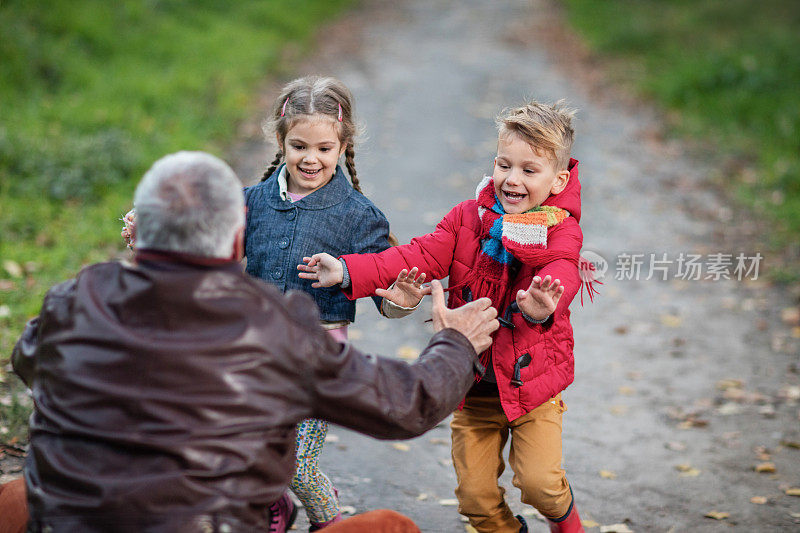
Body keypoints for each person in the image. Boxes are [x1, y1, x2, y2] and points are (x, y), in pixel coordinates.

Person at [10, 151, 499, 533]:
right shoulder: (274, 327)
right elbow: (408, 404)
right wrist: (456, 341)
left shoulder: (76, 298)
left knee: (16, 497)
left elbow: (27, 358)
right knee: (393, 527)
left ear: (144, 230)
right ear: (238, 239)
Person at [299, 101, 589, 533]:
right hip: (471, 387)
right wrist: (346, 268)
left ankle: (569, 526)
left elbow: (562, 268)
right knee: (475, 499)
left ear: (558, 180)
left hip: (531, 386)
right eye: (504, 165)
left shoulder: (560, 228)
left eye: (530, 171)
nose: (512, 179)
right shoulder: (467, 218)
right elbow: (415, 255)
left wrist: (547, 303)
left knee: (540, 483)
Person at [243, 75, 415, 530]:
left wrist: (402, 299)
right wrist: (153, 230)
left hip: (319, 368)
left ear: (342, 147)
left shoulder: (360, 217)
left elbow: (387, 297)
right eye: (299, 146)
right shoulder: (251, 203)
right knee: (249, 453)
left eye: (324, 148)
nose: (311, 158)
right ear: (280, 141)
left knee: (296, 466)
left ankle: (330, 521)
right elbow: (203, 245)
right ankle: (272, 507)